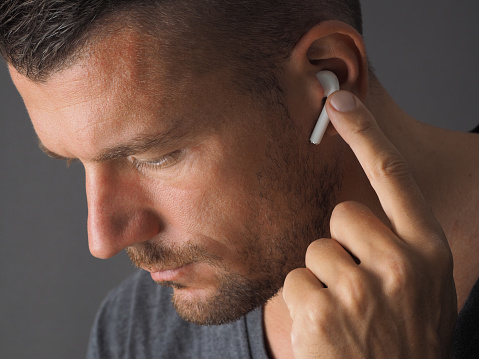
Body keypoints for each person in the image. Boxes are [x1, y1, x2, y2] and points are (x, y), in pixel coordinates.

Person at [1, 0, 477, 358]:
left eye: (156, 155)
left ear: (328, 77)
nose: (102, 239)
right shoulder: (133, 332)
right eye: (72, 162)